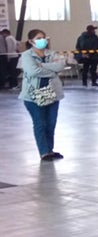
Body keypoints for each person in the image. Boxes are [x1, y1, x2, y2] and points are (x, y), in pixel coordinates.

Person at [19, 29, 66, 161]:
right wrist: (52, 72)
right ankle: (44, 152)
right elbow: (33, 71)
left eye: (44, 37)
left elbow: (60, 66)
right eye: (39, 38)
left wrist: (43, 65)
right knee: (40, 123)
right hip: (33, 95)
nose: (42, 40)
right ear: (31, 41)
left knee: (51, 123)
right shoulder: (27, 55)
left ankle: (50, 150)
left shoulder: (52, 53)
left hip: (53, 93)